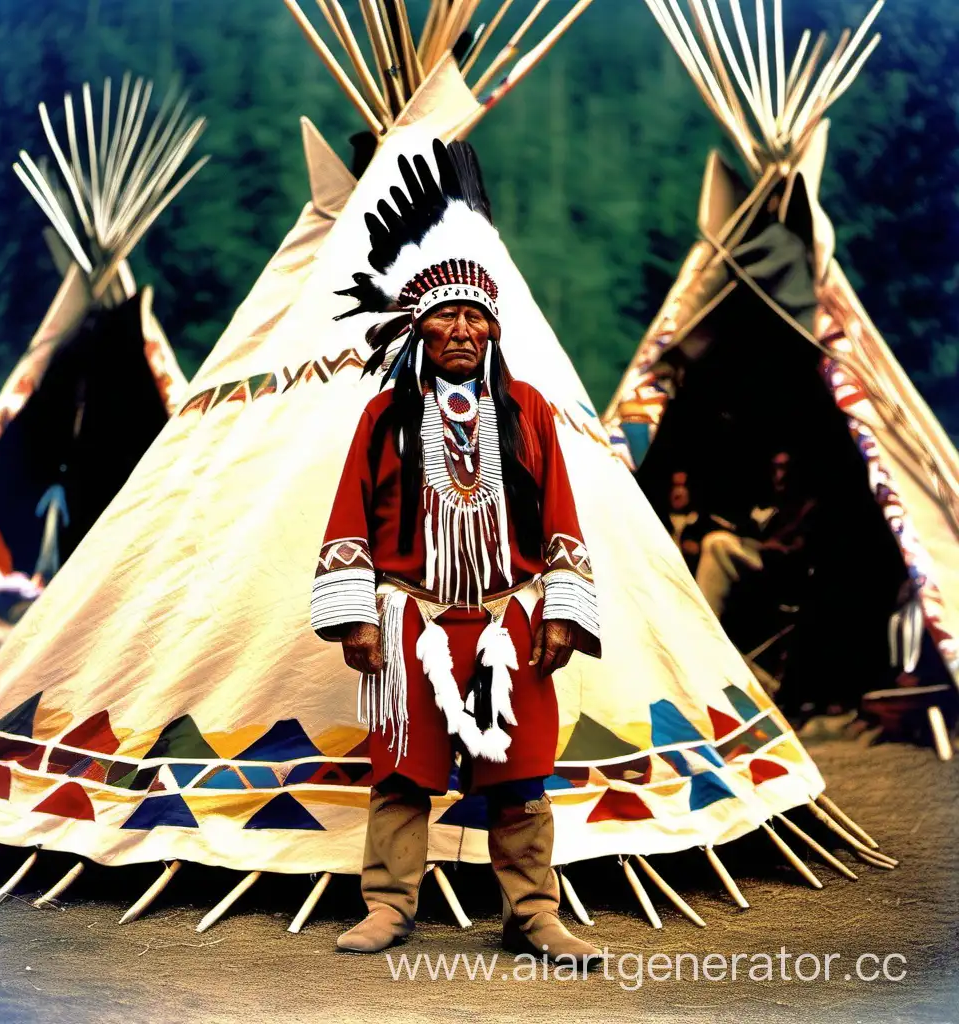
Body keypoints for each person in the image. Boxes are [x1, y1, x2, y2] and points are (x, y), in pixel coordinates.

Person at [311, 140, 601, 962]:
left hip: (511, 618)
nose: (463, 329)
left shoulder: (530, 411)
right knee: (403, 773)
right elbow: (350, 517)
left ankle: (532, 913)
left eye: (478, 317)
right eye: (447, 315)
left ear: (494, 331)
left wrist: (563, 614)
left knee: (519, 778)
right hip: (410, 622)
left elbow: (563, 516)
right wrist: (357, 621)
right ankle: (390, 904)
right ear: (419, 328)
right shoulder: (384, 416)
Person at [695, 450, 816, 620]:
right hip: (758, 560)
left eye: (783, 468)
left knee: (717, 542)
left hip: (781, 571)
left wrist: (780, 546)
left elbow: (801, 548)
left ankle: (705, 621)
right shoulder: (769, 504)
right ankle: (707, 619)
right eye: (774, 469)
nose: (778, 476)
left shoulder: (806, 505)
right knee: (712, 543)